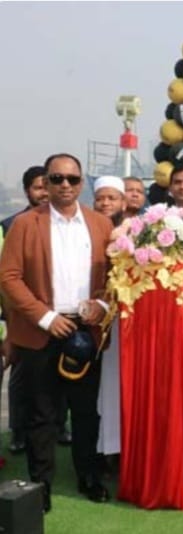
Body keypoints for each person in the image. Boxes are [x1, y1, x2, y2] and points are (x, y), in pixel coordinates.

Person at [0, 153, 114, 511]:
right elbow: (9, 278)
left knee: (86, 411)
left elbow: (116, 276)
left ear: (82, 183)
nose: (65, 185)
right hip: (41, 330)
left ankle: (88, 476)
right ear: (46, 183)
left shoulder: (101, 224)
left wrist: (102, 305)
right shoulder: (25, 224)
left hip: (87, 331)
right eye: (57, 178)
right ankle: (41, 485)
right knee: (42, 414)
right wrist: (46, 317)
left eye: (72, 179)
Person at [1, 165, 54, 455]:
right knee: (21, 377)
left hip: (55, 315)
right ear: (27, 191)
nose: (44, 192)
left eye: (48, 185)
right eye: (38, 187)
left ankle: (59, 426)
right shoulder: (11, 225)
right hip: (21, 313)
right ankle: (19, 431)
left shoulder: (64, 224)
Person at [92, 176, 126, 463]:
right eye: (100, 198)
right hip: (92, 321)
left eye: (111, 198)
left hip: (125, 322)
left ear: (123, 203)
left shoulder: (136, 232)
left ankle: (120, 448)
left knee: (119, 387)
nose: (105, 203)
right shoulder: (88, 229)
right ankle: (102, 449)